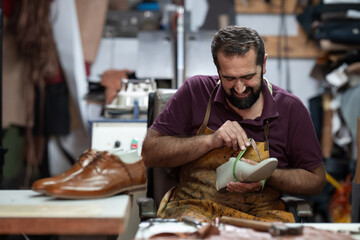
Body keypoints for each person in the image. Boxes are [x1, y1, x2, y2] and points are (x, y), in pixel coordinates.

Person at [141, 25, 326, 223]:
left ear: (263, 64)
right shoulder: (195, 92)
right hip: (193, 211)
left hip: (261, 217)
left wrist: (265, 177)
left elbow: (316, 181)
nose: (239, 88)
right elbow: (150, 153)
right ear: (217, 69)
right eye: (229, 78)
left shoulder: (291, 109)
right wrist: (210, 141)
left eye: (248, 77)